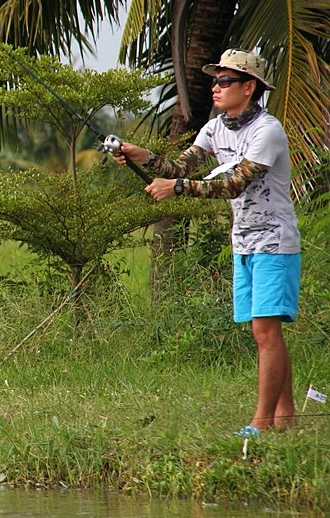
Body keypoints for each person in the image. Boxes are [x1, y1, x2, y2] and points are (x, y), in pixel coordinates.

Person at [114, 49, 300, 436]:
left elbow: (235, 182)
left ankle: (261, 423)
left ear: (249, 88)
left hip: (274, 242)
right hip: (243, 242)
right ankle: (285, 417)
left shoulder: (267, 131)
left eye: (225, 81)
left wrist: (176, 188)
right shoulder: (216, 128)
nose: (215, 87)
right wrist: (140, 154)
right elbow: (179, 166)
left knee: (266, 332)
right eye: (214, 80)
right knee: (262, 332)